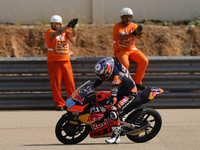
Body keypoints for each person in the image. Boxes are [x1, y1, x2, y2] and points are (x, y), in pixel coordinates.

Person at [90, 57, 137, 144]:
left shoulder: (117, 78)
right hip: (121, 91)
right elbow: (100, 80)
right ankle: (118, 119)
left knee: (113, 109)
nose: (102, 77)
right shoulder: (111, 69)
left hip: (128, 94)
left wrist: (101, 108)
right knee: (101, 97)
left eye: (103, 75)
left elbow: (113, 99)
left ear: (109, 70)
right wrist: (90, 88)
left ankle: (116, 136)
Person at [45, 15, 78, 111]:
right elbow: (57, 33)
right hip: (54, 62)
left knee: (70, 83)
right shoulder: (49, 32)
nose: (56, 26)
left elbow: (73, 34)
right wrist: (68, 25)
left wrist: (73, 27)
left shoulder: (65, 32)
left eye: (58, 24)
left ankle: (71, 103)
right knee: (56, 85)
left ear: (60, 24)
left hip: (66, 61)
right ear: (51, 24)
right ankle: (59, 104)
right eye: (54, 24)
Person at [113, 7, 149, 91]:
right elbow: (121, 37)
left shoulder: (134, 26)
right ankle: (127, 84)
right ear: (121, 17)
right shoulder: (117, 26)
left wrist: (139, 32)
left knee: (144, 61)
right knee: (125, 65)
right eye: (126, 17)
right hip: (120, 50)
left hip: (132, 49)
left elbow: (138, 37)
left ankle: (137, 82)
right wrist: (134, 33)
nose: (128, 19)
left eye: (130, 17)